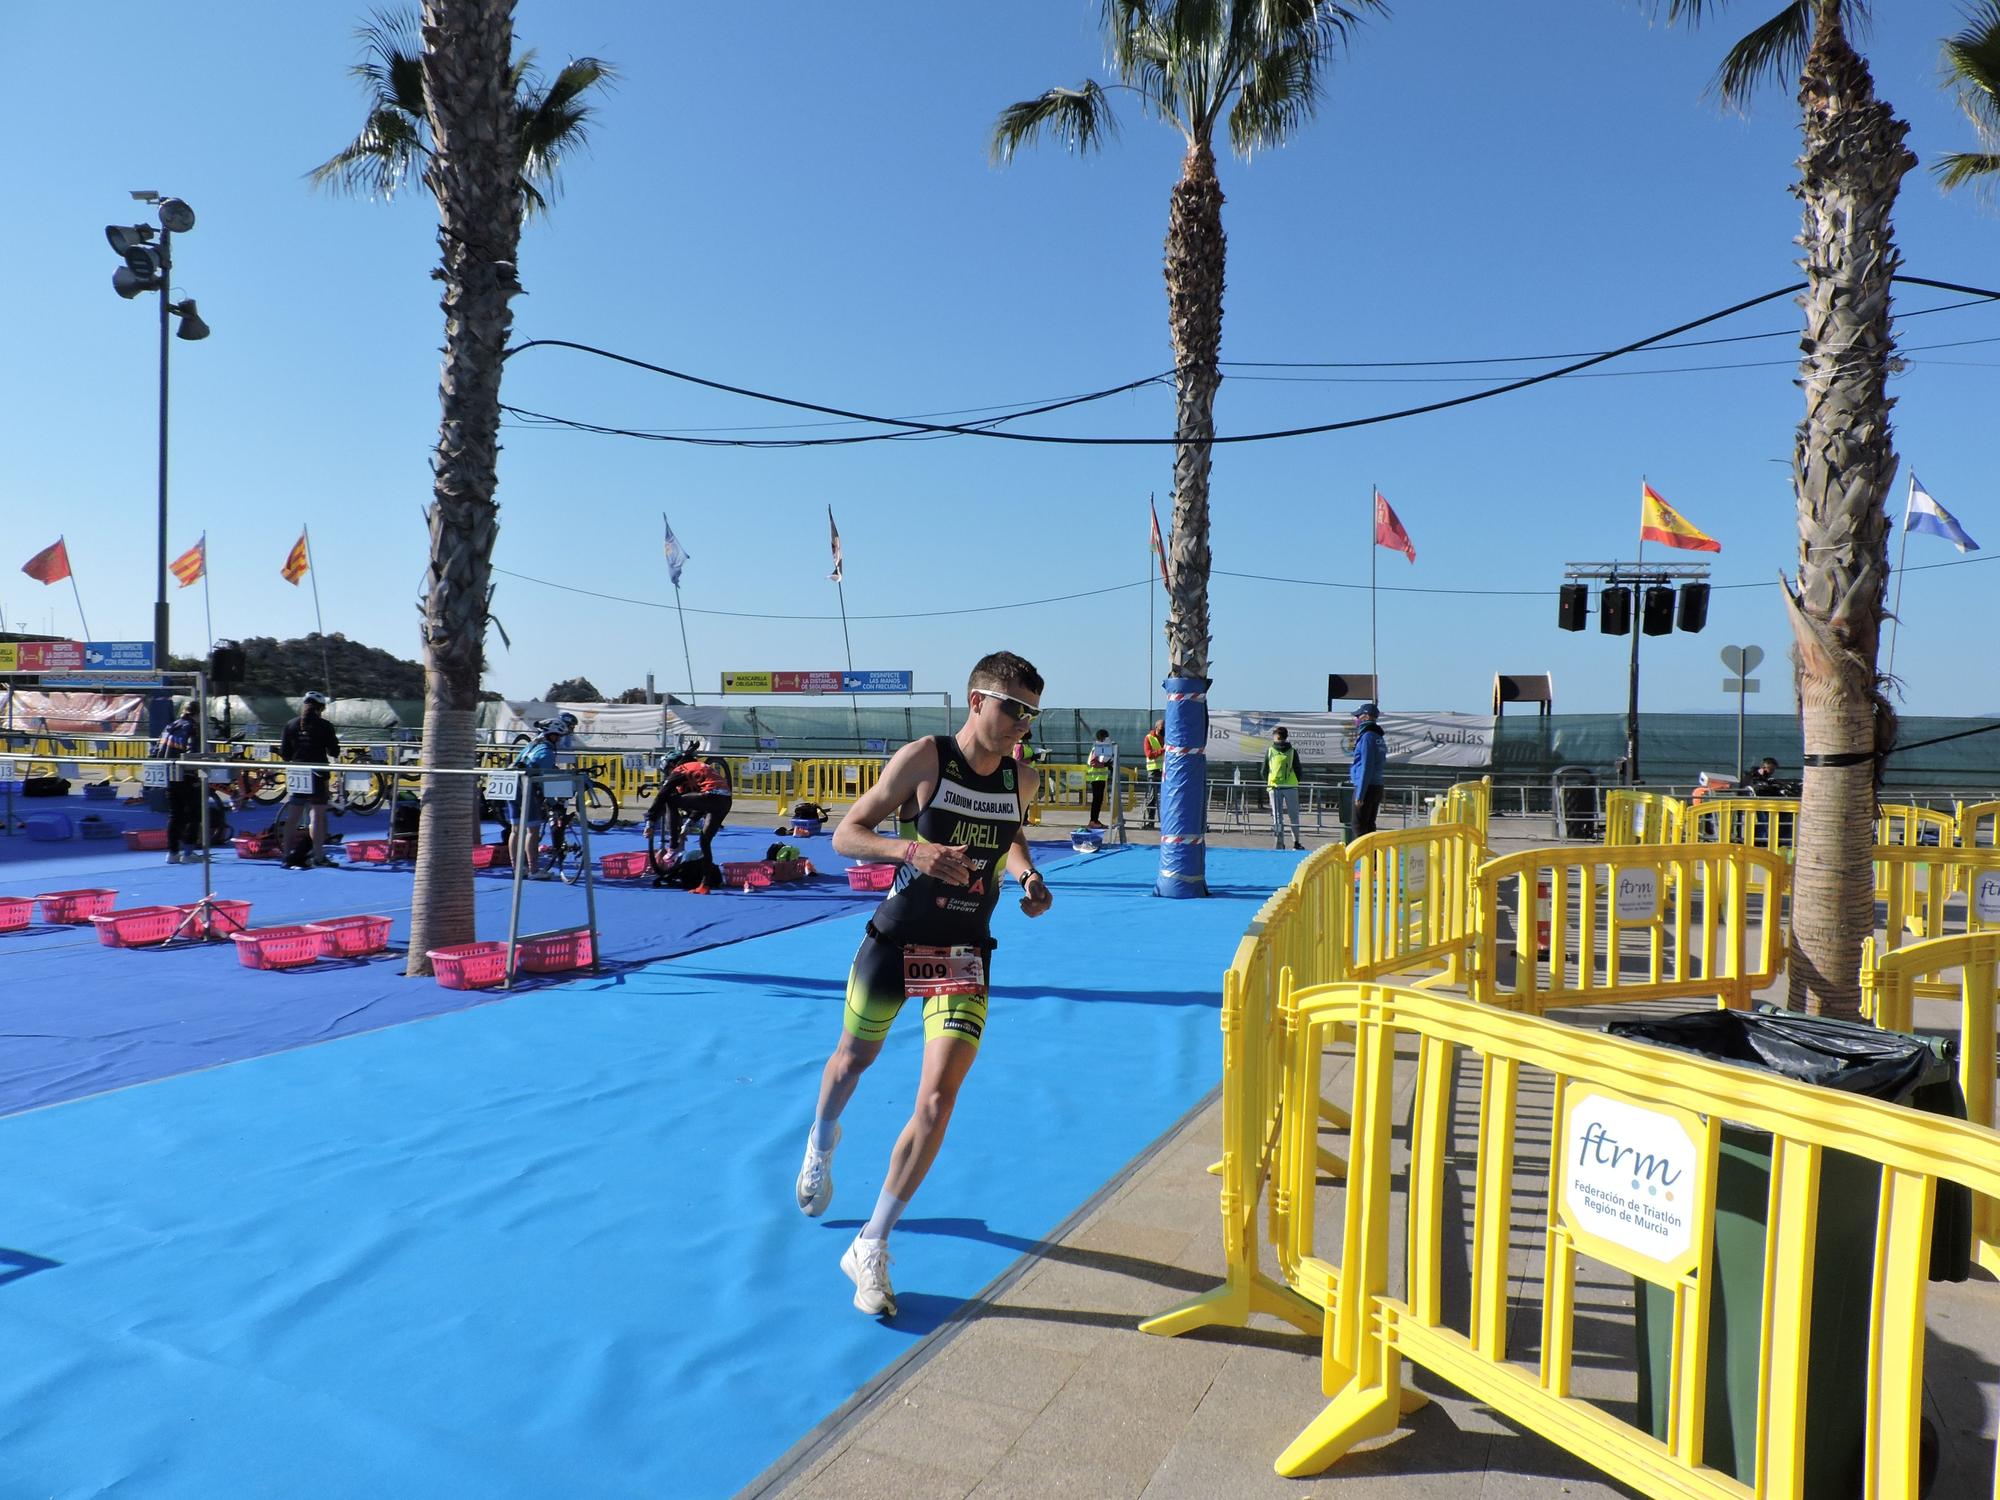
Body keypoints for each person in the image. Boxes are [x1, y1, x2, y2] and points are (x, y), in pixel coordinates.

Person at [795, 651, 1054, 1318]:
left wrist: (1026, 875)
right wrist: (912, 850)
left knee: (937, 1101)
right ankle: (821, 1143)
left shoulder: (1024, 777)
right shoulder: (926, 759)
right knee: (852, 1062)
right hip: (897, 938)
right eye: (1012, 708)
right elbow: (847, 835)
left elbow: (1010, 834)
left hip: (961, 952)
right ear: (976, 701)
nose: (1021, 724)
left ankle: (871, 1245)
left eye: (1031, 713)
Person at [646, 744, 734, 884]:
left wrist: (650, 820)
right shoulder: (695, 766)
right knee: (705, 841)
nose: (669, 774)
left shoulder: (680, 769)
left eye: (668, 771)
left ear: (672, 765)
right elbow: (704, 802)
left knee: (671, 800)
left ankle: (674, 845)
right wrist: (688, 823)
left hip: (711, 797)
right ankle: (704, 884)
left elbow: (663, 794)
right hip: (725, 801)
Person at [509, 713, 577, 876]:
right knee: (532, 830)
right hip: (526, 787)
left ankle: (517, 869)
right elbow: (546, 782)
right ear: (552, 735)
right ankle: (533, 869)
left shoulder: (531, 745)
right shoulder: (546, 751)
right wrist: (553, 803)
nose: (559, 740)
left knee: (516, 830)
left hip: (511, 783)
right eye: (558, 736)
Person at [279, 691, 340, 869]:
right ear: (321, 708)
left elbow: (285, 754)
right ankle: (319, 855)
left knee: (293, 816)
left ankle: (286, 854)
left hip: (297, 772)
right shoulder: (325, 726)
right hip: (318, 773)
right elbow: (333, 751)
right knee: (317, 816)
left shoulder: (290, 725)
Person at [154, 701, 202, 865]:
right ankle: (188, 852)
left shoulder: (169, 727)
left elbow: (157, 751)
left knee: (175, 815)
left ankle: (172, 852)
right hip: (187, 775)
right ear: (197, 714)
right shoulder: (193, 727)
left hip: (170, 773)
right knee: (193, 814)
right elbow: (193, 753)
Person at [1349, 701, 1386, 839]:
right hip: (1376, 785)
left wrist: (1360, 794)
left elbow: (1366, 765)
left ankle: (1366, 860)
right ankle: (1374, 860)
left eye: (1358, 716)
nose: (1356, 719)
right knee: (1369, 827)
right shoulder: (1378, 736)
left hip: (1366, 786)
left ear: (1366, 717)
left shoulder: (1367, 737)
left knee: (1359, 827)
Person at [1266, 726, 1305, 851]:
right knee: (1293, 816)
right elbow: (1298, 769)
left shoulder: (1271, 750)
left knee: (1278, 816)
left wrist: (1269, 781)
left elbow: (1264, 769)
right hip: (1289, 787)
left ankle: (1280, 843)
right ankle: (1295, 843)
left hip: (1275, 786)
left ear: (1277, 737)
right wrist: (1294, 782)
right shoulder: (1291, 751)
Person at [1084, 729, 1114, 829]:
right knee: (1097, 801)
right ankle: (1093, 821)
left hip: (1099, 778)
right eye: (1106, 737)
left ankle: (1094, 820)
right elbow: (1093, 762)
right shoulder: (1097, 749)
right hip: (1096, 778)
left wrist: (1108, 765)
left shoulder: (1101, 748)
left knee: (1098, 801)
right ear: (1102, 738)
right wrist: (1105, 764)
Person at [1142, 719, 1165, 828]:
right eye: (1161, 728)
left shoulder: (1167, 737)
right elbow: (1149, 754)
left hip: (1166, 770)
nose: (1163, 730)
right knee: (1152, 797)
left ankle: (1166, 822)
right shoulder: (1149, 738)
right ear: (1156, 727)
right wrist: (1162, 750)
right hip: (1154, 770)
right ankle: (1150, 822)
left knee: (1167, 796)